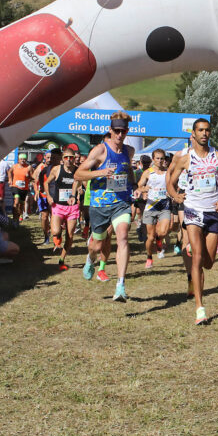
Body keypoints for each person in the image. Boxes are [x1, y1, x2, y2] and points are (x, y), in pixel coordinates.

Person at [166, 118, 218, 325]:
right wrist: (176, 197)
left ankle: (194, 251)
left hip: (213, 212)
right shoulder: (185, 159)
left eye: (207, 130)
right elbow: (170, 182)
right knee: (197, 258)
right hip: (193, 211)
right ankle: (199, 307)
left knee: (208, 262)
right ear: (193, 134)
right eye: (200, 130)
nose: (204, 134)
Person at [74, 112, 137, 302]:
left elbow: (129, 171)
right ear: (110, 130)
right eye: (116, 131)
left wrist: (134, 186)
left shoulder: (129, 151)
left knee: (123, 236)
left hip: (121, 203)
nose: (120, 135)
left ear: (127, 131)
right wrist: (101, 172)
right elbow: (78, 174)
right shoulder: (100, 151)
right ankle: (90, 259)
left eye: (123, 131)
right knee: (97, 244)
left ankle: (120, 285)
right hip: (99, 205)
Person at [46, 148, 82, 269]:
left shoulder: (78, 171)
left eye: (71, 157)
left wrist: (81, 190)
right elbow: (46, 183)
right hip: (58, 206)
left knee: (70, 235)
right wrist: (48, 196)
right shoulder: (56, 169)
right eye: (66, 157)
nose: (68, 160)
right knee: (55, 232)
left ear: (74, 158)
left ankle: (62, 259)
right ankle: (57, 238)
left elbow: (84, 183)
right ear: (62, 159)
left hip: (72, 207)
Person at [134, 149, 171, 269]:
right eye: (157, 158)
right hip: (150, 206)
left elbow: (172, 185)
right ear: (153, 159)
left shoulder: (168, 172)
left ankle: (159, 240)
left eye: (162, 159)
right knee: (150, 237)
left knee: (163, 232)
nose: (160, 161)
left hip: (164, 205)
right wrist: (144, 189)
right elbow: (140, 185)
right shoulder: (148, 172)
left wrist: (172, 193)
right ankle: (149, 257)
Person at [33, 149, 59, 245]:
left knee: (54, 216)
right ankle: (46, 236)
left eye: (51, 158)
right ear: (44, 158)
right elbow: (36, 179)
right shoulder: (42, 168)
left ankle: (56, 237)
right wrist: (39, 190)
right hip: (43, 195)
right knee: (44, 217)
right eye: (48, 157)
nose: (49, 159)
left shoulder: (58, 168)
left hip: (55, 196)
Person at [9, 153, 33, 221]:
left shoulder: (29, 167)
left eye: (24, 159)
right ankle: (14, 217)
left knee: (21, 204)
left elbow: (32, 177)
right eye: (21, 159)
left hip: (24, 188)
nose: (23, 160)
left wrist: (29, 177)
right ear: (18, 160)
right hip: (15, 187)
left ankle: (19, 216)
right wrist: (10, 180)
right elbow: (9, 172)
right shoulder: (14, 166)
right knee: (16, 201)